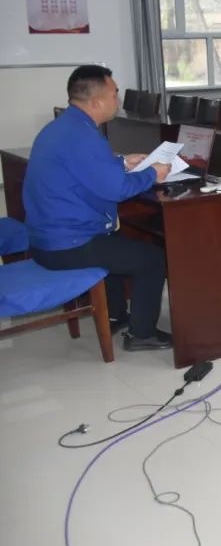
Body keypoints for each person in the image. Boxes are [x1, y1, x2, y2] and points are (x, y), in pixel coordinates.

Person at [24, 65, 173, 351]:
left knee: (115, 240)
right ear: (96, 102)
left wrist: (121, 162)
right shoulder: (84, 137)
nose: (118, 100)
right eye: (114, 94)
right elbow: (118, 190)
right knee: (153, 259)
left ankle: (115, 315)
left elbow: (83, 169)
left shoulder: (63, 127)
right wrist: (152, 173)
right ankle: (142, 335)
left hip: (46, 238)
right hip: (66, 245)